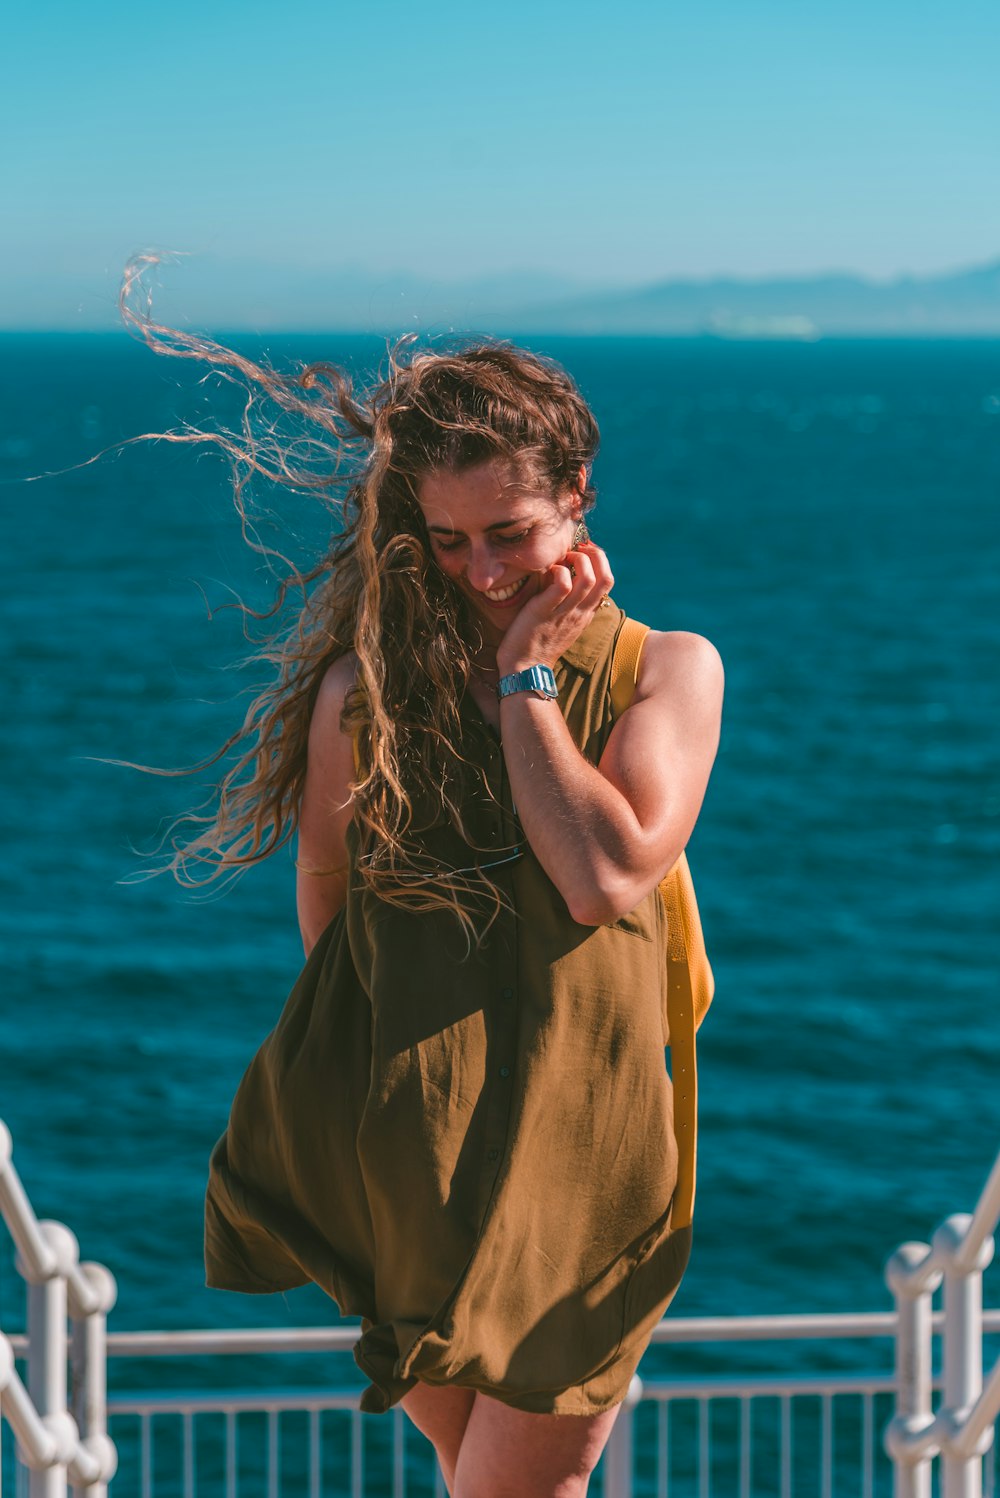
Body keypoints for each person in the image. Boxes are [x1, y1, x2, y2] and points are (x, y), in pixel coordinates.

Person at [144, 318, 723, 1498]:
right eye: (446, 540)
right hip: (400, 1146)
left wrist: (526, 683)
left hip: (585, 1156)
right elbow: (327, 902)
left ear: (578, 495)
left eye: (511, 534)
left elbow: (604, 872)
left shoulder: (670, 668)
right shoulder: (362, 695)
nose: (485, 573)